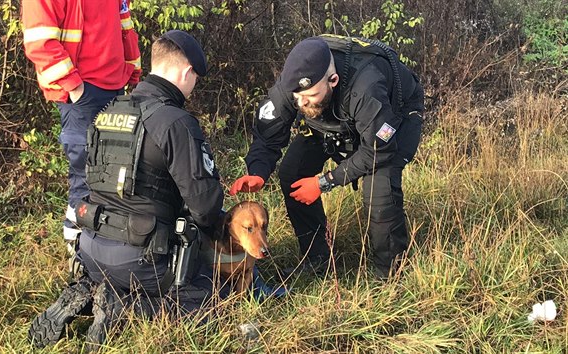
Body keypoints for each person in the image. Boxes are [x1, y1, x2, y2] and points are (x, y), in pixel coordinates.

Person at [28, 30, 224, 350]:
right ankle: (126, 307)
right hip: (144, 258)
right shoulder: (175, 122)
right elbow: (205, 207)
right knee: (211, 298)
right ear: (187, 72)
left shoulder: (108, 113)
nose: (193, 88)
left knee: (122, 273)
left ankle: (95, 292)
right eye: (195, 79)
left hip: (92, 250)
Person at [229, 35, 424, 279]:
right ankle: (317, 259)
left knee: (379, 190)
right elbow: (268, 135)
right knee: (292, 172)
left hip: (392, 119)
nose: (301, 103)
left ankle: (390, 273)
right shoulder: (294, 87)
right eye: (296, 97)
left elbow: (377, 150)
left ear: (332, 80)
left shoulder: (367, 86)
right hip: (330, 120)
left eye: (308, 95)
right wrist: (258, 171)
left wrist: (324, 182)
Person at [21, 0, 142, 255]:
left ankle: (104, 249)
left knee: (113, 176)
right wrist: (74, 87)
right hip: (83, 91)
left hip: (115, 86)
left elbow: (123, 22)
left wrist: (132, 71)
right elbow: (38, 39)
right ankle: (77, 251)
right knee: (86, 177)